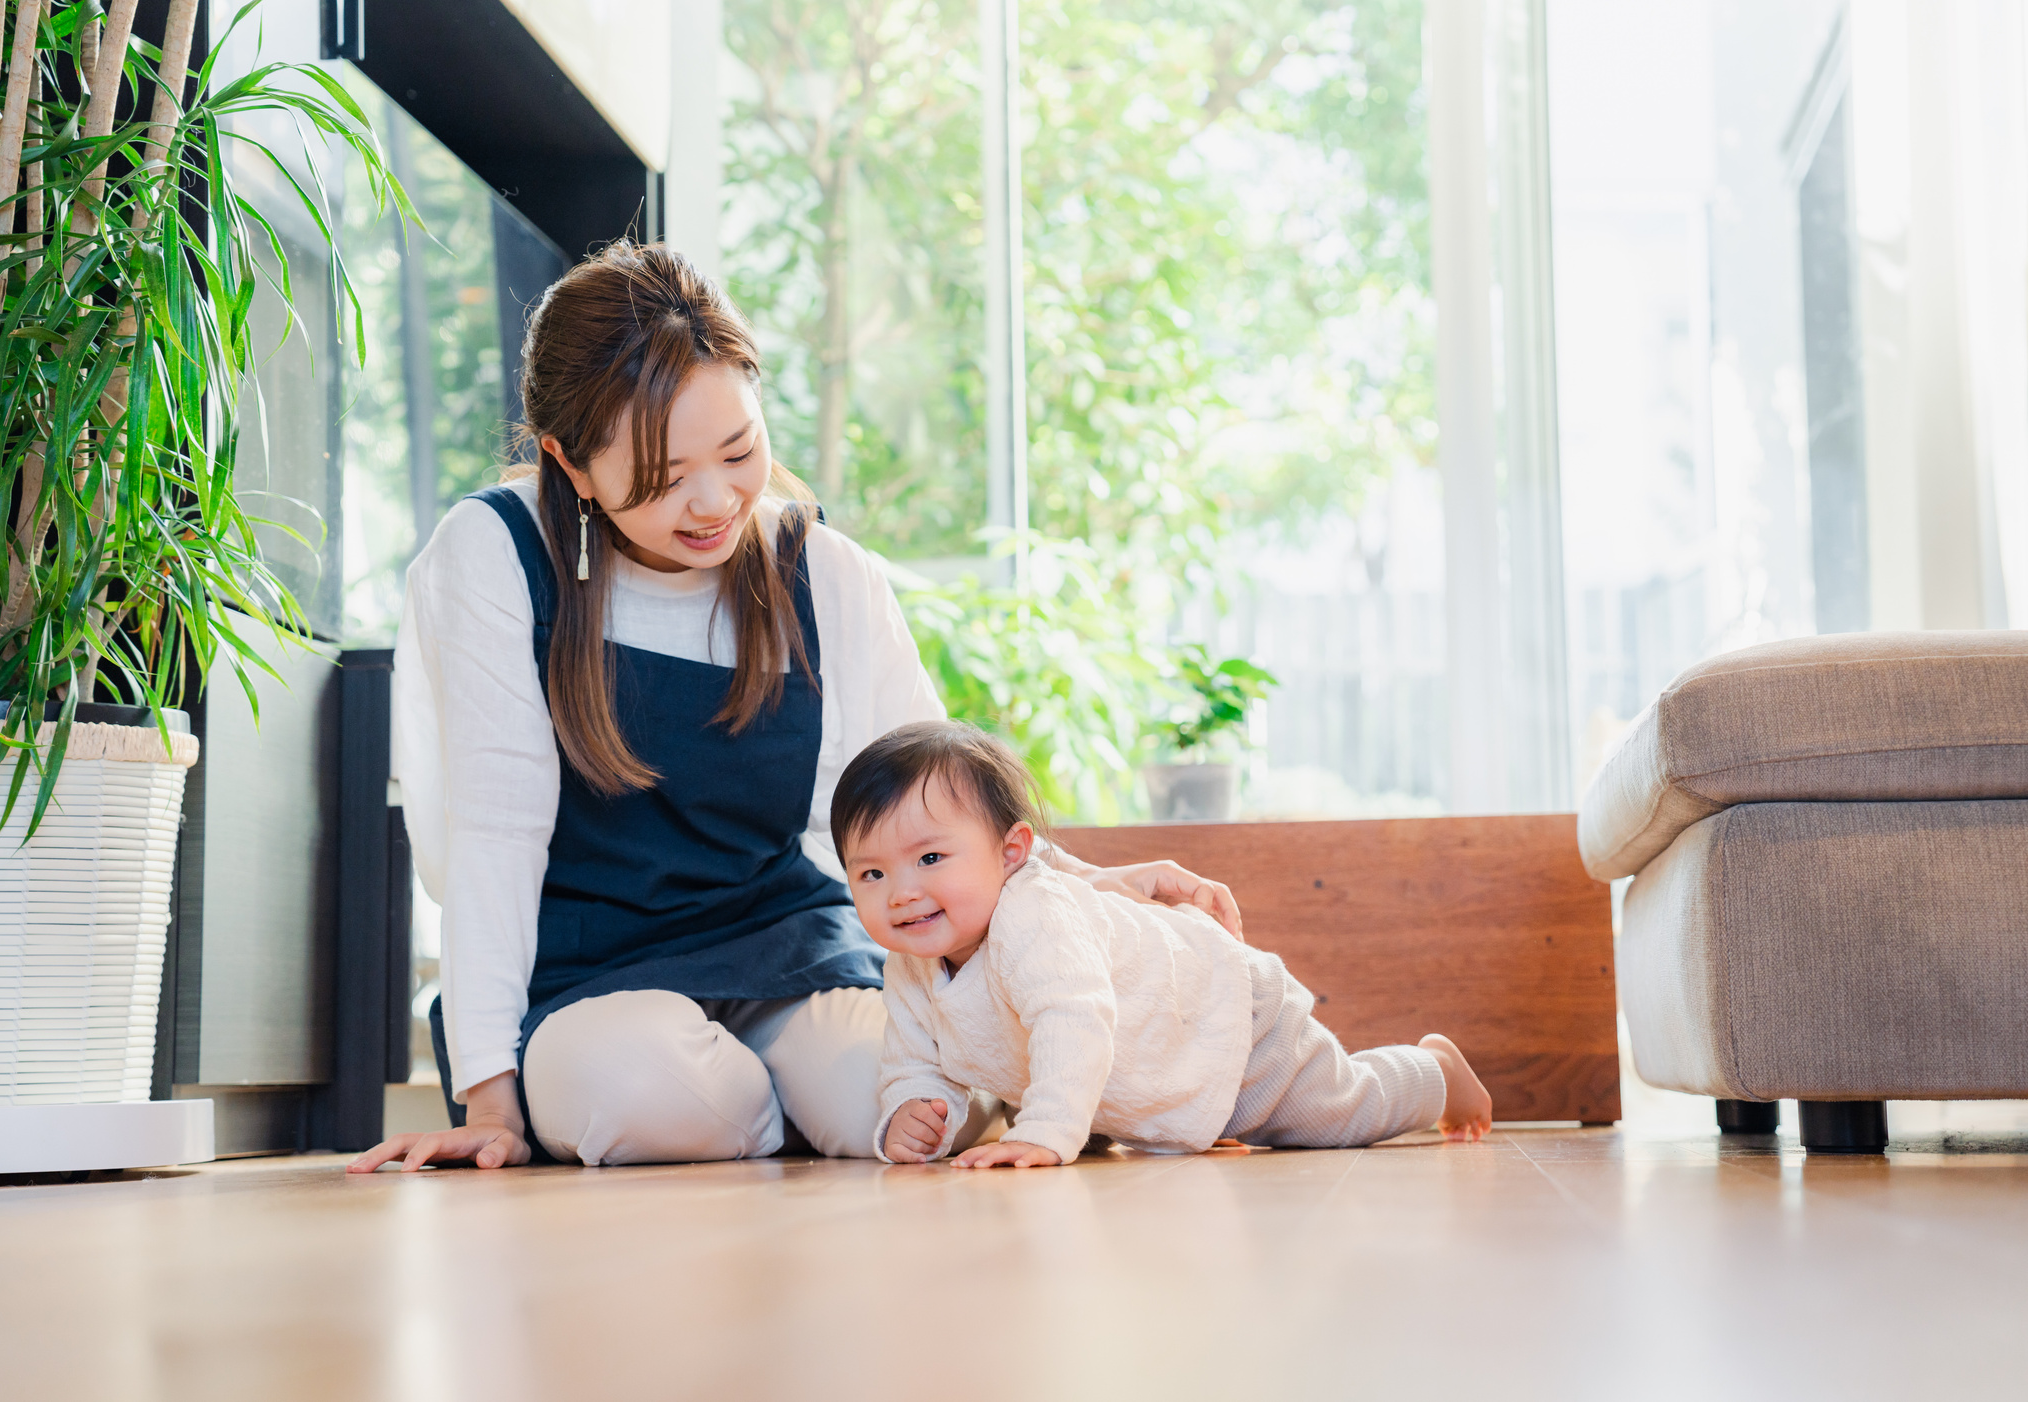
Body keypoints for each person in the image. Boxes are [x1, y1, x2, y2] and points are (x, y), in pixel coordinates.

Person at [349, 243, 1246, 1173]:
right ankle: (786, 1113)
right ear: (569, 465)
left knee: (930, 1099)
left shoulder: (820, 571)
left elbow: (934, 795)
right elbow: (492, 835)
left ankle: (800, 1103)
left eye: (739, 452)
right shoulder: (495, 554)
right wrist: (492, 1105)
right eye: (662, 479)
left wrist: (1089, 885)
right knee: (644, 1091)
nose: (713, 501)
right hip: (586, 988)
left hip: (789, 953)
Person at [830, 721, 1494, 1167]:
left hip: (1225, 1022)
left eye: (930, 858)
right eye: (872, 873)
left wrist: (1043, 1135)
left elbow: (1073, 1021)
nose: (901, 892)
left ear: (1011, 853)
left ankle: (1436, 1074)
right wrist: (912, 1114)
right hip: (1161, 1058)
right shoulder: (910, 965)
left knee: (1336, 1116)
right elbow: (913, 1060)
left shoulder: (1034, 916)